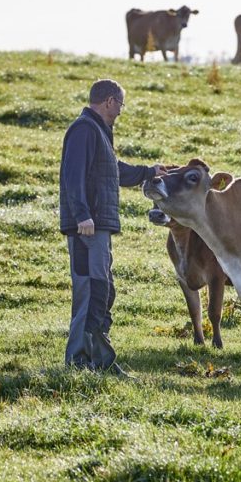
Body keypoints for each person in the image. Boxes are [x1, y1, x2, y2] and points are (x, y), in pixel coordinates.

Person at [59, 79, 162, 375]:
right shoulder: (84, 130)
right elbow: (72, 175)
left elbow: (113, 170)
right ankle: (80, 362)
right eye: (120, 105)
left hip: (98, 227)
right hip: (87, 228)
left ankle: (98, 361)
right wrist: (82, 216)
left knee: (103, 289)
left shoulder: (98, 133)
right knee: (90, 290)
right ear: (109, 101)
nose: (120, 112)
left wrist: (149, 172)